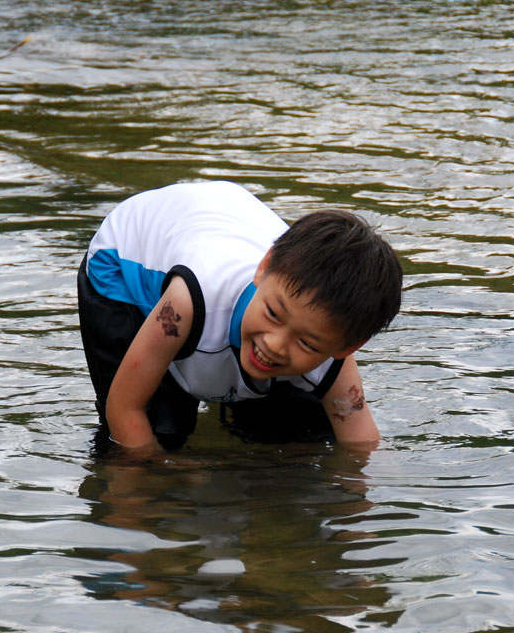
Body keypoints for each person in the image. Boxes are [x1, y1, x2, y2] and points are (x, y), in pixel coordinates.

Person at [77, 180, 402, 454]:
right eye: (273, 314)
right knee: (157, 431)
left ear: (346, 347)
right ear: (264, 268)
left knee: (300, 441)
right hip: (122, 270)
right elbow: (125, 407)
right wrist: (157, 472)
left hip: (221, 231)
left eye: (307, 342)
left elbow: (360, 450)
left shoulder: (334, 349)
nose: (275, 345)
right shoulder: (186, 304)